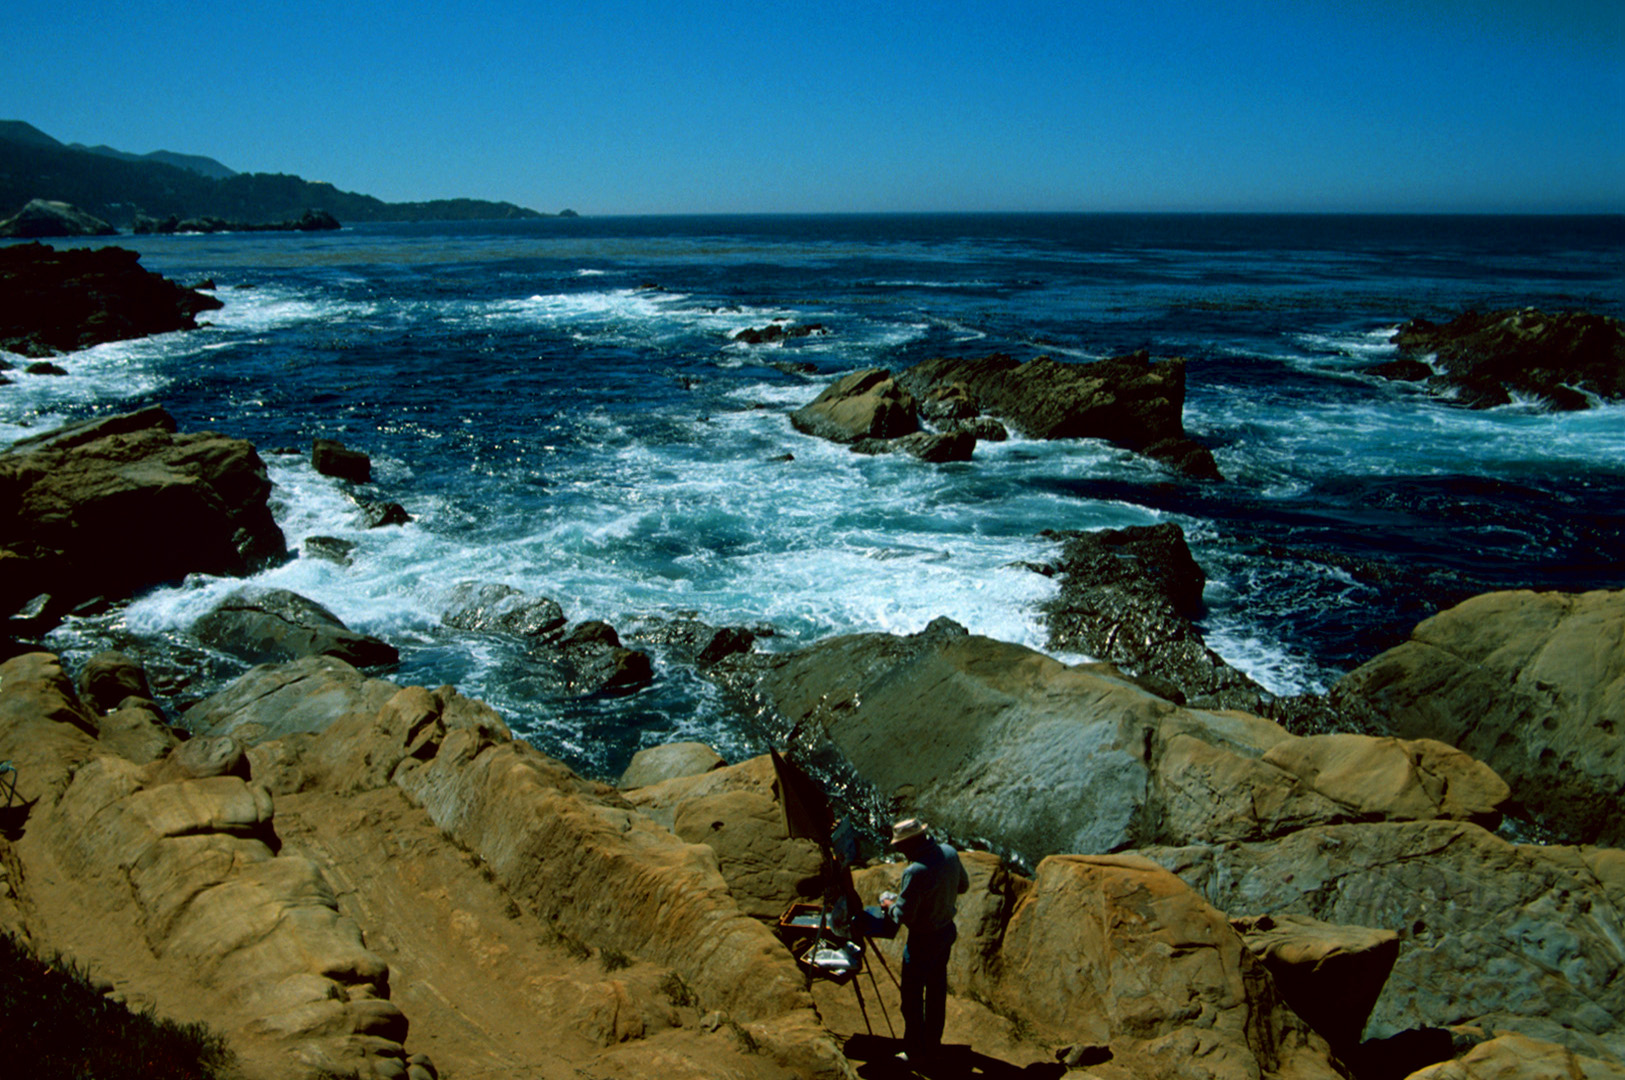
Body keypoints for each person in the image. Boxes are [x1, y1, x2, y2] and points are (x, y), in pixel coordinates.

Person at [879, 817, 968, 1062]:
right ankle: (933, 1043)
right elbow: (963, 886)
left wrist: (889, 905)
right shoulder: (950, 853)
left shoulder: (915, 871)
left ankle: (914, 1049)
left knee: (912, 997)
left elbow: (903, 915)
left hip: (922, 940)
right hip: (945, 932)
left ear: (911, 843)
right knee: (937, 991)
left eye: (900, 845)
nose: (898, 849)